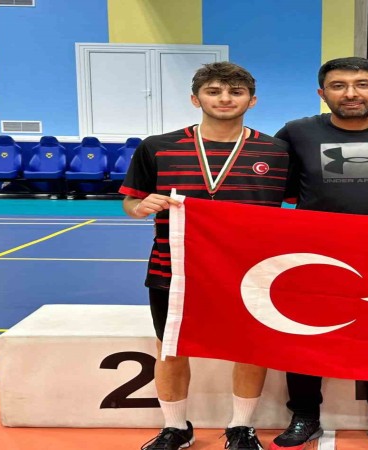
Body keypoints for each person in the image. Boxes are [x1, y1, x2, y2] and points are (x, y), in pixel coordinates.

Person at [120, 61, 290, 450]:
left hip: (249, 271)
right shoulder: (157, 147)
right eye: (214, 91)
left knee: (250, 349)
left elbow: (300, 207)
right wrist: (140, 207)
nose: (225, 99)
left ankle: (241, 427)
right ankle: (175, 427)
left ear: (252, 100)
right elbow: (131, 203)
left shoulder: (277, 151)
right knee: (171, 349)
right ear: (195, 99)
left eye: (236, 92)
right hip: (172, 269)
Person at [269, 57, 368, 450]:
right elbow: (275, 191)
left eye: (362, 84)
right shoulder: (296, 132)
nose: (351, 93)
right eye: (338, 85)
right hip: (314, 257)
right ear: (322, 93)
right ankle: (304, 415)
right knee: (306, 337)